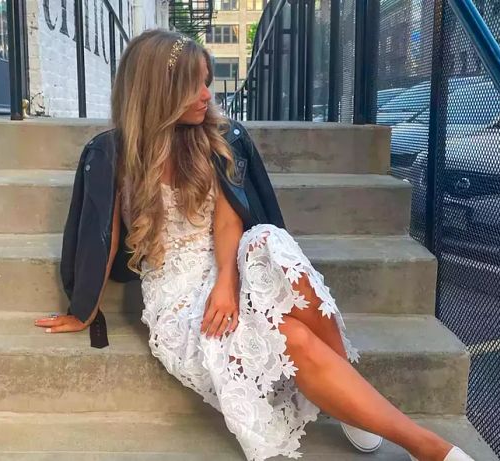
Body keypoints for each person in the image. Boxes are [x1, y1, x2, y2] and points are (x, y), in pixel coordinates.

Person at [34, 29, 475, 461]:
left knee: (266, 238)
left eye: (207, 81)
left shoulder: (215, 137)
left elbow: (230, 220)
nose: (206, 95)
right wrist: (82, 308)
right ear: (158, 93)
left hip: (228, 266)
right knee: (294, 338)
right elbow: (102, 236)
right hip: (177, 297)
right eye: (193, 86)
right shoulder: (114, 154)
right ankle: (419, 443)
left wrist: (227, 280)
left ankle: (376, 418)